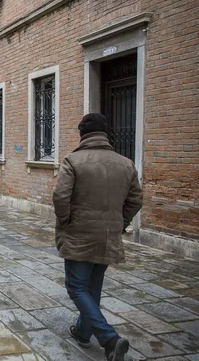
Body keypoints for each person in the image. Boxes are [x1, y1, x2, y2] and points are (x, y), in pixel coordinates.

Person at [53, 113, 143, 361]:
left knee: (76, 287)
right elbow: (136, 199)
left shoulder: (73, 160)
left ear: (82, 133)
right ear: (106, 133)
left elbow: (60, 196)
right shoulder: (126, 164)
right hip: (107, 236)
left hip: (79, 234)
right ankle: (83, 332)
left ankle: (109, 339)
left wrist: (65, 221)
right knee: (92, 287)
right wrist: (120, 222)